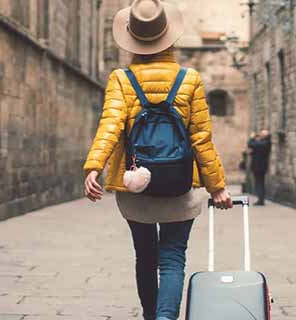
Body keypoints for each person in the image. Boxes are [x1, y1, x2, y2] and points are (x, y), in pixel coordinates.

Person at [83, 1, 232, 319]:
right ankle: (166, 317)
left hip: (136, 185)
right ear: (169, 37)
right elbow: (201, 137)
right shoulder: (189, 79)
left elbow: (110, 125)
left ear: (131, 40)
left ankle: (152, 316)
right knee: (173, 257)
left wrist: (94, 166)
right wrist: (217, 186)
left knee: (145, 256)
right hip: (182, 185)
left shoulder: (121, 79)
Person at [248, 130, 272, 206]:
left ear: (266, 136)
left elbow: (251, 144)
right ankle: (260, 199)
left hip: (260, 167)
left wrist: (252, 138)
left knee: (259, 183)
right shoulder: (263, 142)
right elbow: (255, 149)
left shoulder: (266, 143)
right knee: (259, 182)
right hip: (258, 166)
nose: (260, 135)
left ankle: (261, 200)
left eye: (262, 134)